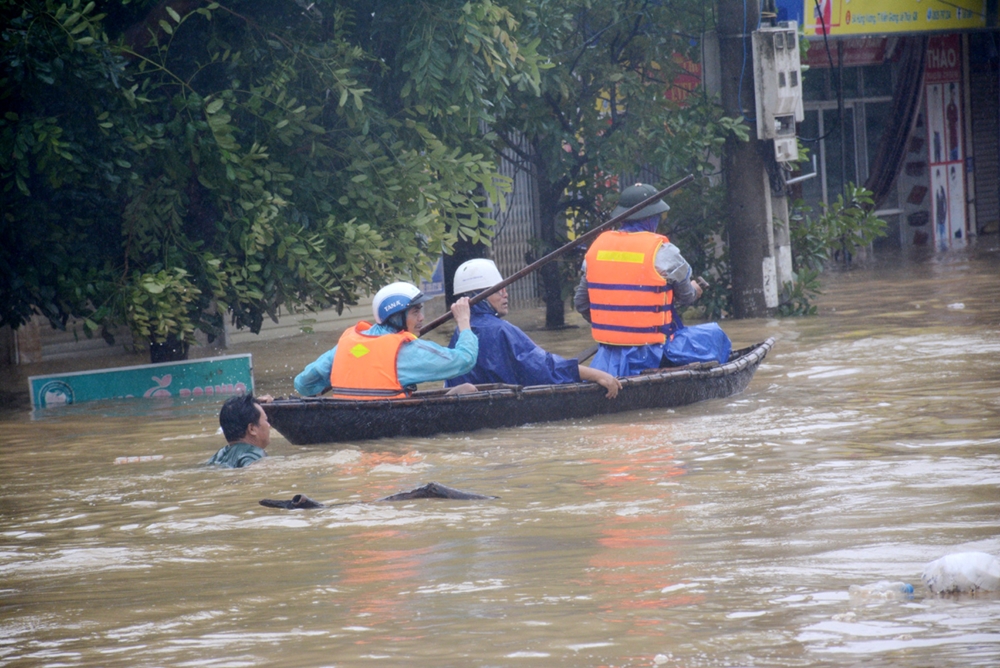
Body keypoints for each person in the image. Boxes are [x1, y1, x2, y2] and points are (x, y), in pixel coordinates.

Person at [573, 182, 730, 377]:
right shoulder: (664, 253)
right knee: (715, 335)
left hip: (606, 356)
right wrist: (695, 290)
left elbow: (580, 303)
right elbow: (687, 297)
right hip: (653, 352)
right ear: (652, 217)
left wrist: (616, 325)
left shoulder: (596, 249)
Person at [445, 259, 621, 398]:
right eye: (499, 290)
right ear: (479, 296)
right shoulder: (499, 330)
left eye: (505, 289)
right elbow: (542, 368)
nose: (506, 294)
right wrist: (595, 374)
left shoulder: (461, 330)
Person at [294, 281, 478, 398]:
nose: (421, 318)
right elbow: (465, 360)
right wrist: (463, 322)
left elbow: (303, 385)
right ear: (396, 317)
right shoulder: (407, 349)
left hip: (349, 421)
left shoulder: (348, 345)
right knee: (468, 389)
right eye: (415, 312)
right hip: (393, 425)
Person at [207, 393, 272, 468]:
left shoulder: (218, 456)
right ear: (252, 429)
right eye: (266, 420)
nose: (269, 425)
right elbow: (251, 472)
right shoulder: (254, 453)